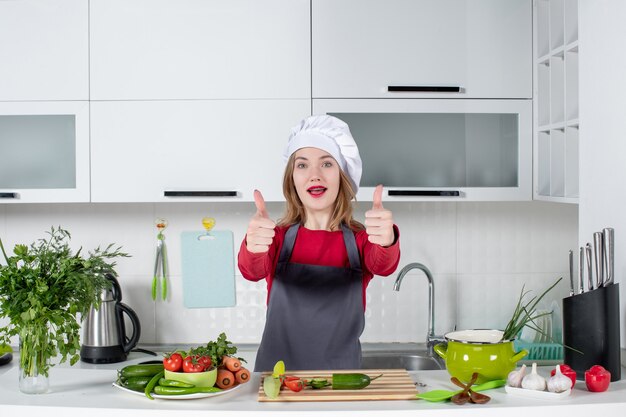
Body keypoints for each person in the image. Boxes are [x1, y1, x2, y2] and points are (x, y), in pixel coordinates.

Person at [237, 115, 401, 371]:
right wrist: (252, 245)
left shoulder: (360, 242)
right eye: (302, 165)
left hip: (341, 386)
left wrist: (386, 239)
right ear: (292, 178)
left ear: (342, 175)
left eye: (326, 163)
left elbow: (383, 264)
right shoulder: (275, 237)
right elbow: (252, 270)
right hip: (276, 385)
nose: (314, 175)